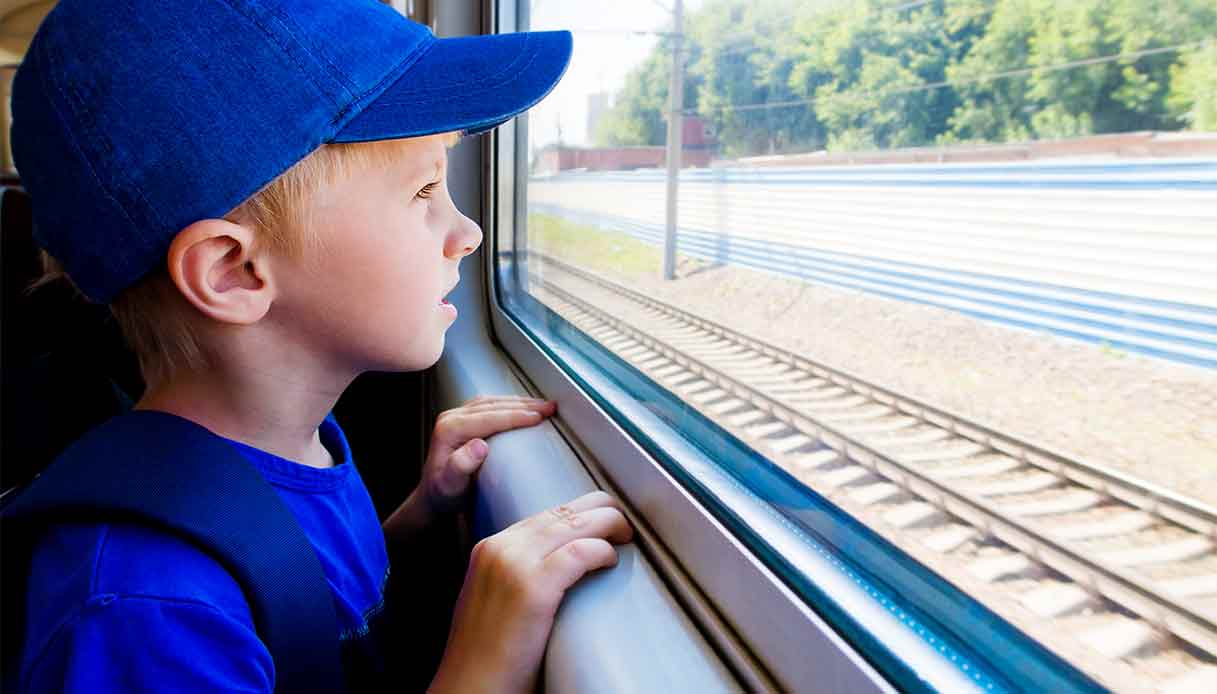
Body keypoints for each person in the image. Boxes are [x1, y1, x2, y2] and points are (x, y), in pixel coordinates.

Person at [8, 0, 633, 691]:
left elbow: (302, 614)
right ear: (233, 271)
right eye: (424, 190)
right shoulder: (142, 609)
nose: (467, 234)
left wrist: (420, 518)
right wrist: (479, 668)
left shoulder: (300, 447)